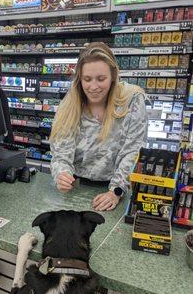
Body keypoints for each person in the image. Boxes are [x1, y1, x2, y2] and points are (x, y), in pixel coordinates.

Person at [50, 42, 148, 211]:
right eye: (87, 79)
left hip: (116, 190)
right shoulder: (70, 104)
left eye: (101, 79)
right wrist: (61, 174)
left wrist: (116, 191)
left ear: (113, 76)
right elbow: (60, 153)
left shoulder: (132, 99)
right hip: (76, 186)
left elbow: (133, 151)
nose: (93, 87)